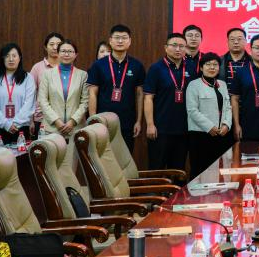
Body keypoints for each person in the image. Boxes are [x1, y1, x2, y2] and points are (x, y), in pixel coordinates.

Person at [87, 24, 145, 153]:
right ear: (110, 40)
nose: (120, 41)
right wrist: (93, 120)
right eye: (117, 37)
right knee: (103, 158)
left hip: (127, 122)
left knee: (125, 158)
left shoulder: (137, 65)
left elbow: (140, 95)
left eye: (124, 38)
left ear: (129, 41)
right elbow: (92, 93)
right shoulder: (98, 65)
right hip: (102, 122)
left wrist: (138, 121)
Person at [144, 33, 189, 171]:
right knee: (157, 168)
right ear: (166, 47)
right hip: (160, 129)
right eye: (174, 45)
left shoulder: (190, 68)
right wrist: (150, 124)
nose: (178, 49)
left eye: (181, 46)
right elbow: (148, 98)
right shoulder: (156, 68)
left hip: (183, 129)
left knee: (178, 169)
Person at [186, 52, 233, 178]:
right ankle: (195, 191)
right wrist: (209, 127)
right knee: (200, 170)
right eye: (208, 64)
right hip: (200, 134)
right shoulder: (193, 85)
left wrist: (226, 125)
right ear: (201, 68)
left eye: (215, 65)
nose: (212, 67)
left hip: (220, 133)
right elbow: (192, 110)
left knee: (218, 170)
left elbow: (228, 107)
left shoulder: (222, 84)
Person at [0, 43, 36, 145]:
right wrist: (6, 124)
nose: (11, 59)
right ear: (2, 59)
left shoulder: (28, 78)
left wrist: (16, 123)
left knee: (21, 156)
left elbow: (29, 103)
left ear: (19, 58)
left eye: (14, 56)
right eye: (7, 56)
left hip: (21, 129)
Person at [38, 40, 89, 138]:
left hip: (76, 128)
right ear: (58, 53)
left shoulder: (83, 75)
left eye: (70, 51)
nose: (66, 54)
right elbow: (42, 100)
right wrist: (56, 121)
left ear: (76, 55)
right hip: (52, 128)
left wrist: (73, 121)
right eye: (63, 51)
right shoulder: (47, 74)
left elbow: (85, 102)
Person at [29, 32, 63, 135]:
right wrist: (30, 120)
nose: (55, 47)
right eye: (51, 44)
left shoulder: (67, 68)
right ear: (45, 47)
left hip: (62, 119)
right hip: (41, 119)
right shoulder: (37, 68)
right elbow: (30, 95)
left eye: (58, 44)